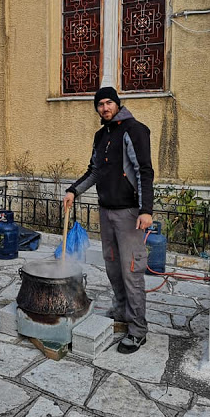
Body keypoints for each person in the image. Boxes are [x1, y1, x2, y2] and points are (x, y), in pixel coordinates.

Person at [63, 86, 154, 354]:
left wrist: (145, 209)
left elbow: (144, 171)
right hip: (106, 211)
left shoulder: (134, 130)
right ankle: (122, 313)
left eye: (108, 103)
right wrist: (73, 190)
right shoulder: (100, 136)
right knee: (113, 268)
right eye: (100, 104)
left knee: (132, 271)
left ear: (117, 104)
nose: (104, 108)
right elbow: (94, 171)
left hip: (129, 214)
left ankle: (138, 330)